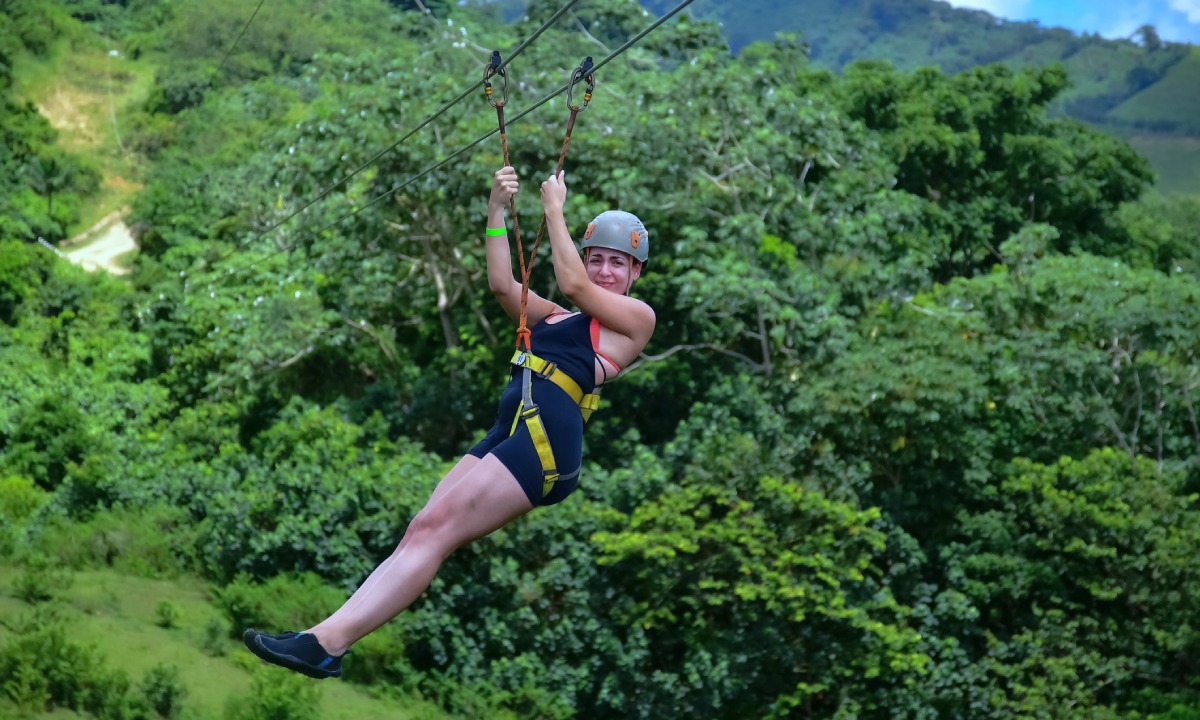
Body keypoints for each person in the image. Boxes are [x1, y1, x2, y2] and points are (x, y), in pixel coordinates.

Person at [242, 166, 656, 679]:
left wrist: (555, 208)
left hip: (545, 443)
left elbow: (571, 282)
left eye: (618, 263)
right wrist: (495, 211)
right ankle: (320, 639)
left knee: (436, 530)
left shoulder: (636, 318)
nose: (604, 272)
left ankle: (328, 643)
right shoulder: (560, 320)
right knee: (422, 527)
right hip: (513, 431)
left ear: (635, 273)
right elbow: (503, 286)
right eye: (597, 260)